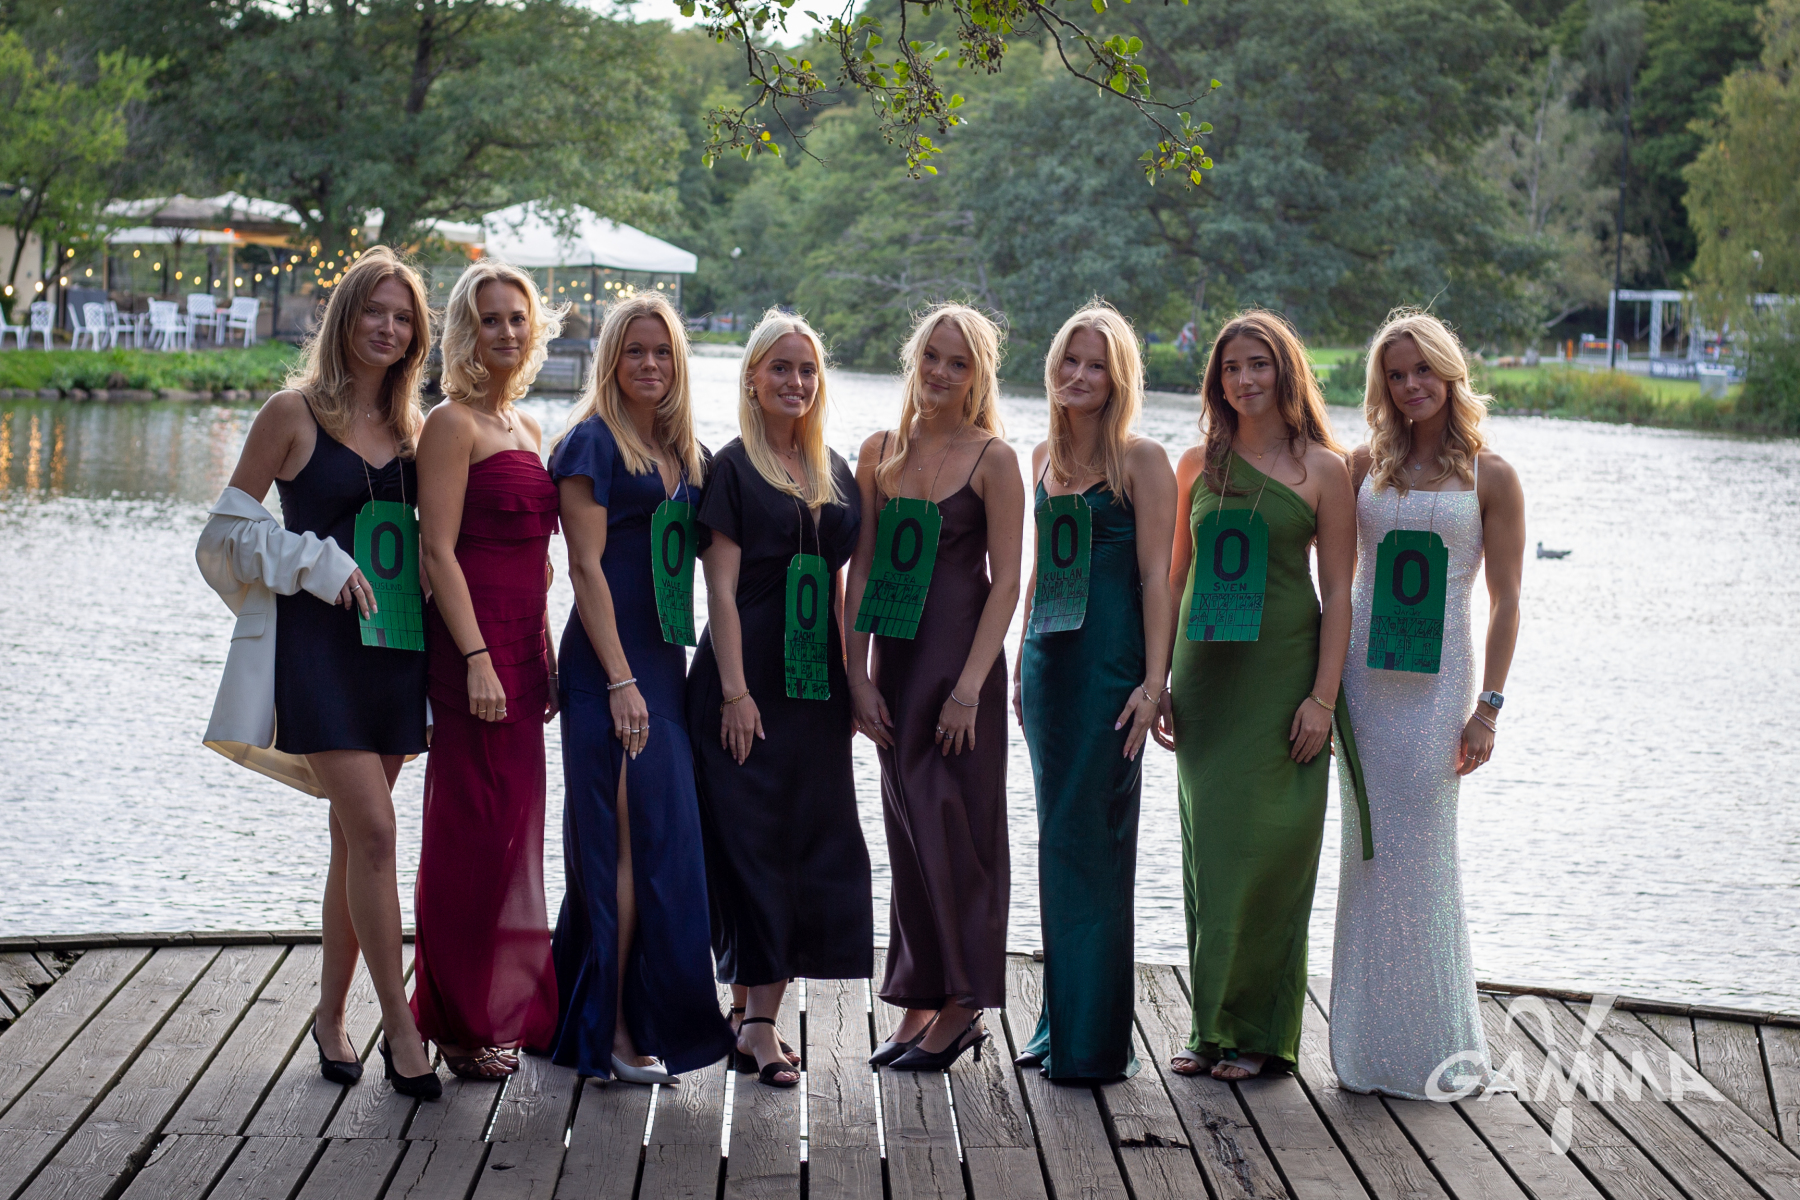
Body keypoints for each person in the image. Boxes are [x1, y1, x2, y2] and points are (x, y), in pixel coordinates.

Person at [196, 246, 442, 1099]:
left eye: (403, 317)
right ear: (345, 316)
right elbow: (223, 536)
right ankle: (400, 1030)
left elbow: (439, 540)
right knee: (374, 834)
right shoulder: (291, 414)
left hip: (395, 650)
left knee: (353, 842)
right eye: (375, 310)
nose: (388, 327)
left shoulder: (417, 430)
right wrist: (314, 561)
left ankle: (330, 1015)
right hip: (318, 654)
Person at [1155, 310, 1355, 1082]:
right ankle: (1211, 1031)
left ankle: (1261, 1034)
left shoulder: (1324, 471)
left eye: (1259, 364)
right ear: (1217, 380)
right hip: (1206, 687)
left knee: (1271, 853)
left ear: (1285, 371)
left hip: (1284, 681)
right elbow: (1175, 578)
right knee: (1212, 856)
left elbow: (1338, 596)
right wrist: (1158, 679)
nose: (1245, 379)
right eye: (1232, 367)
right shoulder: (1195, 466)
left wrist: (1322, 699)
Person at [1328, 309, 1523, 1099]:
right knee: (1367, 857)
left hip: (1441, 690)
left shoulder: (1492, 476)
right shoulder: (1359, 466)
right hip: (1362, 685)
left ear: (1450, 374)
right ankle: (1366, 1047)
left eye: (1423, 371)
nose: (1411, 385)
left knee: (1425, 857)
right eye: (1396, 374)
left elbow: (1507, 602)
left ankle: (1435, 1046)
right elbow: (1328, 574)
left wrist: (1489, 708)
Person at [546, 292, 735, 1085]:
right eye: (634, 351)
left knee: (658, 844)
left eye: (661, 352)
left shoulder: (687, 454)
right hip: (609, 667)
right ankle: (614, 1032)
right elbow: (584, 569)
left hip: (664, 666)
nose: (649, 364)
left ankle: (584, 1015)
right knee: (622, 845)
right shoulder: (591, 443)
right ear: (612, 360)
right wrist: (621, 680)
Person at [688, 308, 871, 1089]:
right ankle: (755, 1022)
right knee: (748, 846)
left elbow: (837, 587)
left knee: (806, 845)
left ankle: (755, 1016)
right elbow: (719, 591)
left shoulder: (835, 470)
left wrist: (854, 683)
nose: (796, 381)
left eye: (807, 369)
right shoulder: (732, 468)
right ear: (753, 378)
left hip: (812, 686)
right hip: (744, 682)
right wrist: (734, 692)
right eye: (781, 368)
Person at [846, 304, 1023, 1072]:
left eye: (958, 363)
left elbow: (1008, 580)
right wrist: (855, 674)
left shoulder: (993, 458)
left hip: (961, 670)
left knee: (960, 833)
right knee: (908, 831)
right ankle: (921, 998)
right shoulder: (880, 452)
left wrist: (971, 688)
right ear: (913, 360)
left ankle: (963, 1004)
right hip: (897, 666)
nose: (941, 373)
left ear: (978, 375)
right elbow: (860, 569)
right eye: (932, 358)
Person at [1010, 302, 1175, 1081]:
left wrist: (1154, 682)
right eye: (1069, 360)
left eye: (1096, 365)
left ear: (1118, 379)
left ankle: (1094, 1042)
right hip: (1050, 669)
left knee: (1098, 845)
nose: (1079, 375)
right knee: (1057, 842)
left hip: (1112, 671)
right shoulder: (1042, 454)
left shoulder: (1142, 459)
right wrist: (1020, 661)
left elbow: (1156, 578)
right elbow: (1043, 566)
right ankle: (1058, 1019)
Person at [412, 261, 561, 1080]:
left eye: (516, 318)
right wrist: (475, 659)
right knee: (465, 838)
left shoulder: (528, 428)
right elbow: (436, 552)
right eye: (490, 319)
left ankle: (499, 1008)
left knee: (513, 838)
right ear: (467, 333)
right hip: (471, 656)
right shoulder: (451, 424)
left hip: (524, 656)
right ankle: (454, 1022)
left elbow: (540, 560)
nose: (506, 331)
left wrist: (543, 648)